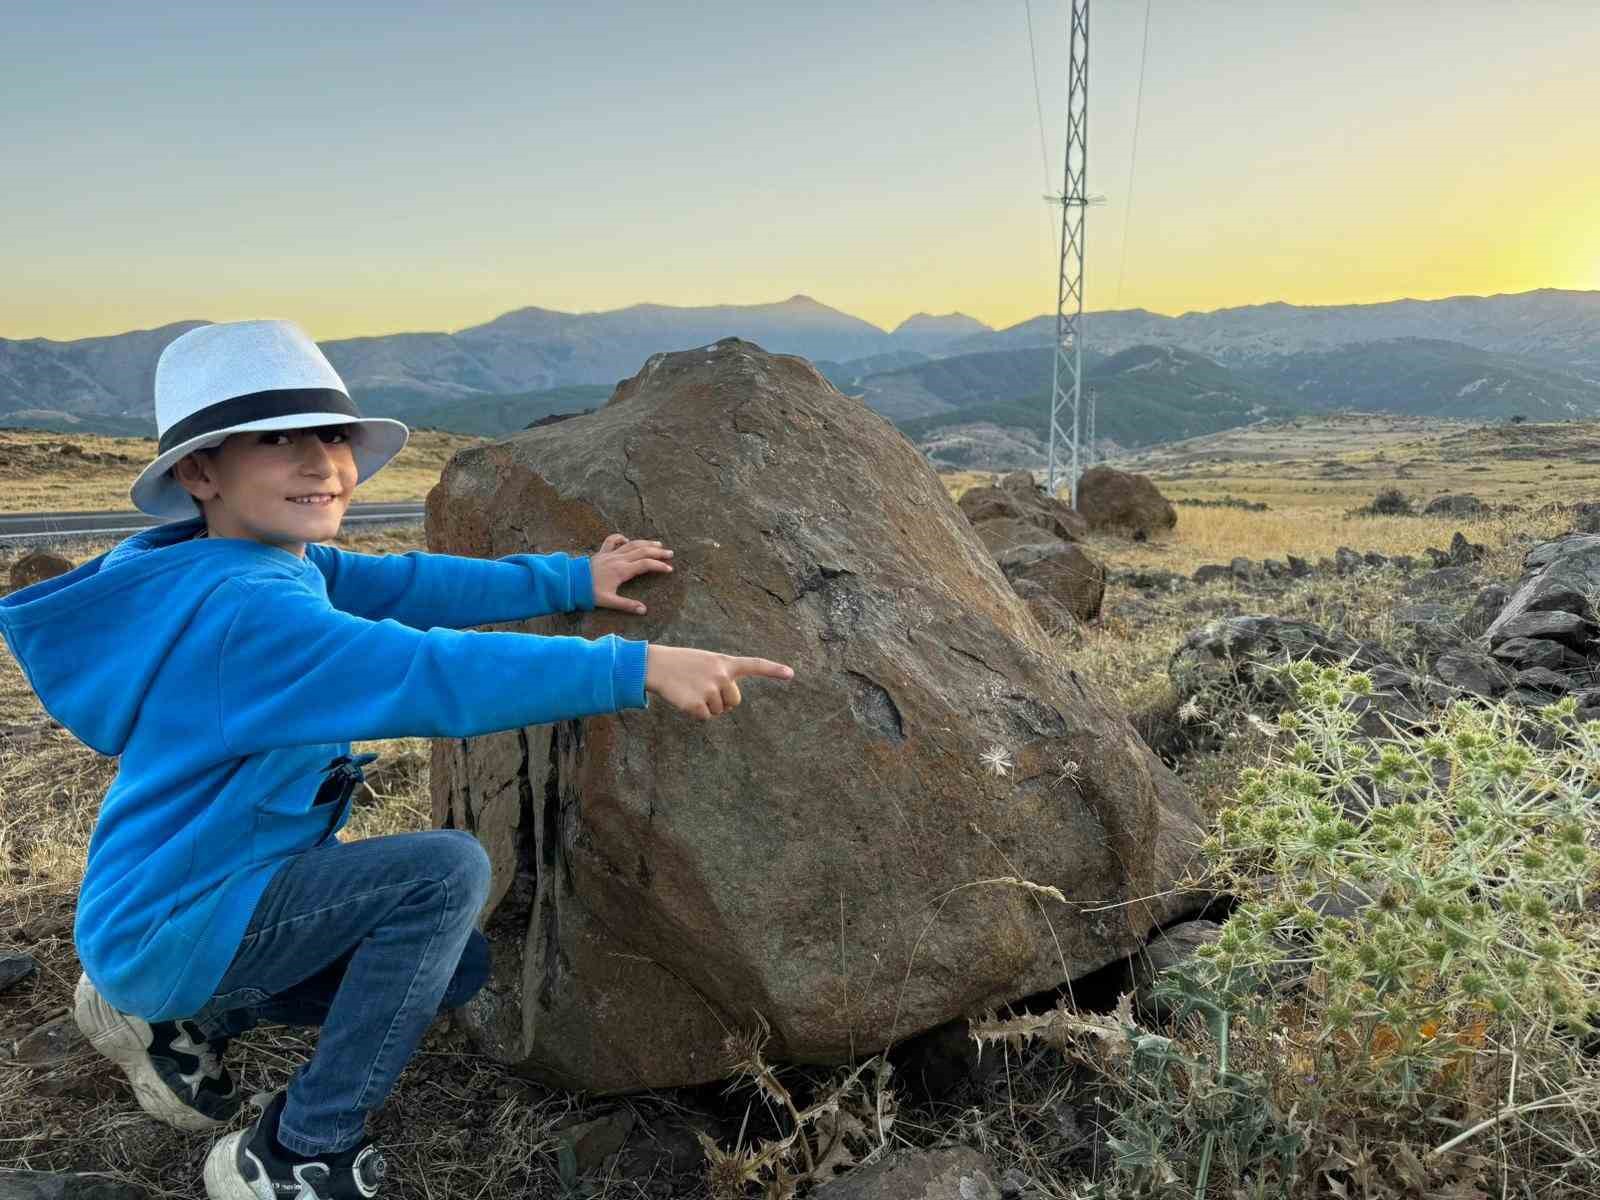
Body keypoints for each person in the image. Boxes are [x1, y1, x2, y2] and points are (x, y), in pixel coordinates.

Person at [0, 319, 794, 1200]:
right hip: (177, 917)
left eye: (332, 435)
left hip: (175, 899)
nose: (320, 463)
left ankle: (170, 1008)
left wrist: (569, 578)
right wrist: (636, 666)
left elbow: (409, 585)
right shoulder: (245, 612)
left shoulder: (245, 560)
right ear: (199, 472)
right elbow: (423, 670)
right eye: (276, 440)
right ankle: (298, 1152)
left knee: (452, 968)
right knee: (439, 877)